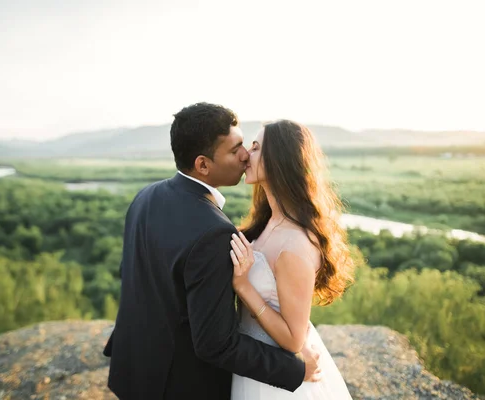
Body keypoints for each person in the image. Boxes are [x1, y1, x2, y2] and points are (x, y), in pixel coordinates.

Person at [102, 103, 322, 399]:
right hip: (178, 386)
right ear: (203, 165)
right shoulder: (214, 233)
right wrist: (294, 370)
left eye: (248, 145)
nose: (245, 155)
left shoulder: (145, 197)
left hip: (133, 371)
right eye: (236, 150)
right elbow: (215, 343)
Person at [228, 119, 355, 399]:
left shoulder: (294, 244)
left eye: (256, 147)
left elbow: (293, 338)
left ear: (279, 160)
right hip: (255, 366)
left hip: (277, 382)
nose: (247, 155)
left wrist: (244, 287)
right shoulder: (267, 222)